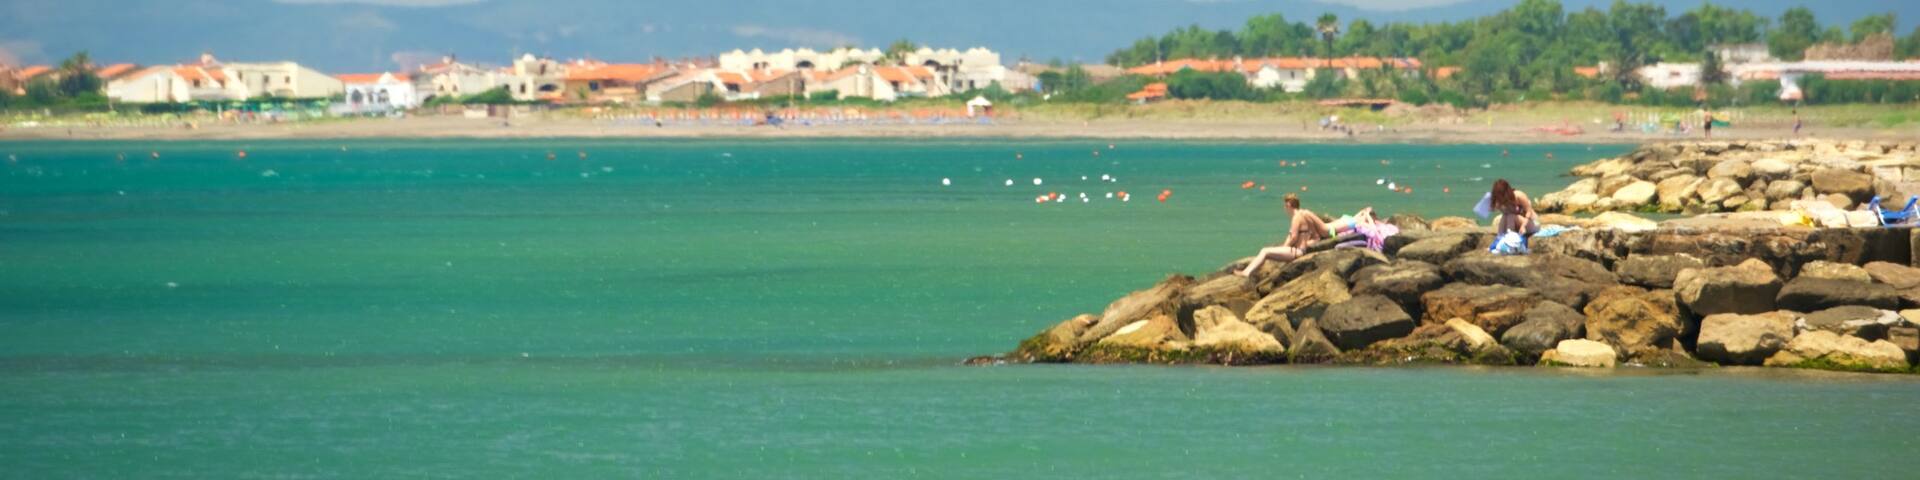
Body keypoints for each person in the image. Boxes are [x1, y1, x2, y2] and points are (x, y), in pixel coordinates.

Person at [1235, 193, 1329, 277]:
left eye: (1285, 205)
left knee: (1265, 251)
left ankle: (1247, 273)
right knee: (1267, 252)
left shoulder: (1296, 218)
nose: (1284, 208)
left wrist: (1285, 247)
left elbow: (1294, 237)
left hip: (1296, 252)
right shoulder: (1301, 215)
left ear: (1289, 205)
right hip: (1299, 250)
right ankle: (1248, 272)